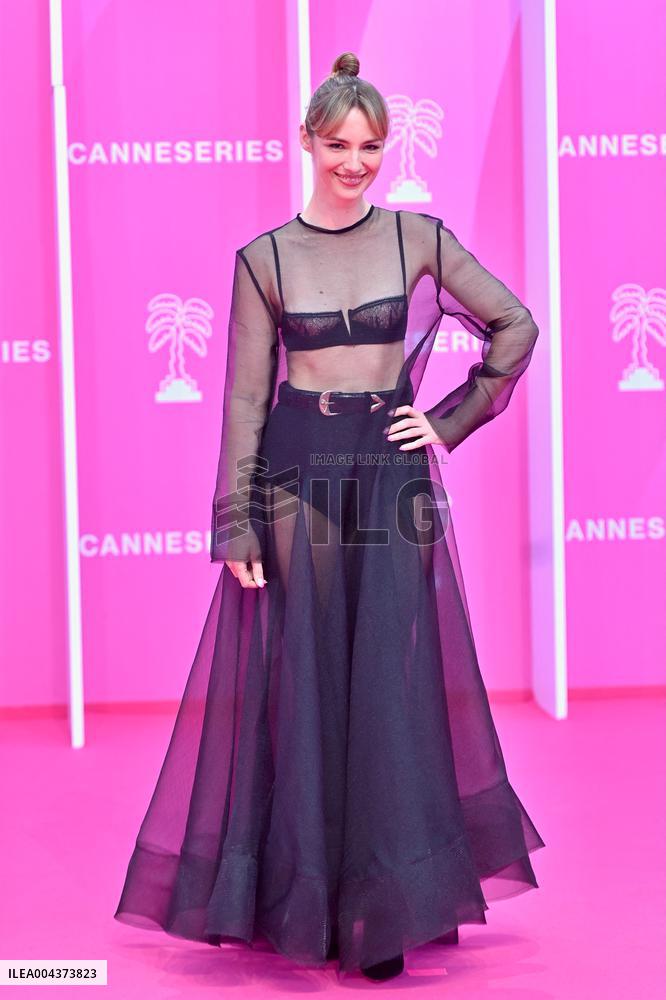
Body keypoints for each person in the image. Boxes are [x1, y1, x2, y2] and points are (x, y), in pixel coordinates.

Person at [114, 51, 545, 983]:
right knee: (306, 690)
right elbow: (242, 403)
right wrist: (235, 523)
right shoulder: (263, 259)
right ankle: (305, 905)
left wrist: (446, 420)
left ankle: (384, 911)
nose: (356, 161)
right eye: (339, 144)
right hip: (298, 486)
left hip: (391, 484)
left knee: (387, 692)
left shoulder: (417, 237)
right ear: (307, 141)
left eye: (371, 146)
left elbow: (514, 325)